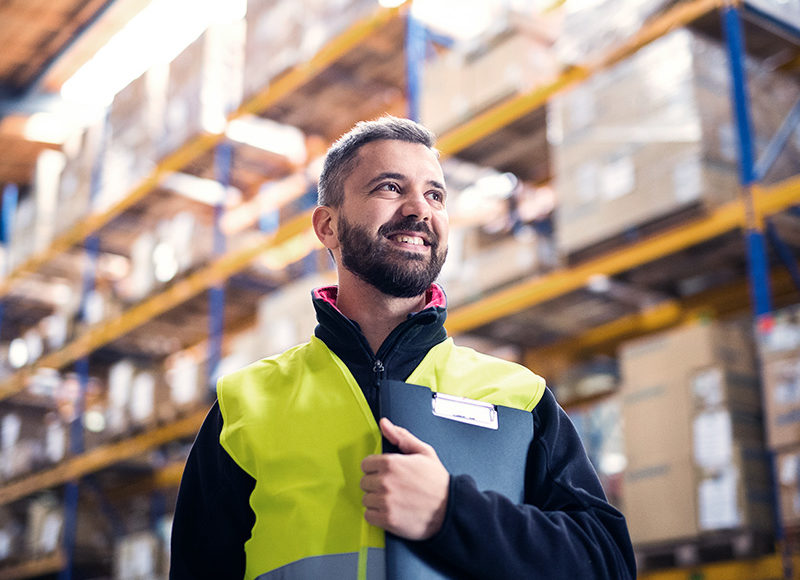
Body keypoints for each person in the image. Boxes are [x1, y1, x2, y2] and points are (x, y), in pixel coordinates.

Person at [170, 116, 636, 579]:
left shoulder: (519, 396)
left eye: (435, 195)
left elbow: (608, 564)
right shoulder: (246, 406)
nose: (420, 210)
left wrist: (451, 513)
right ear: (327, 226)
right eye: (390, 188)